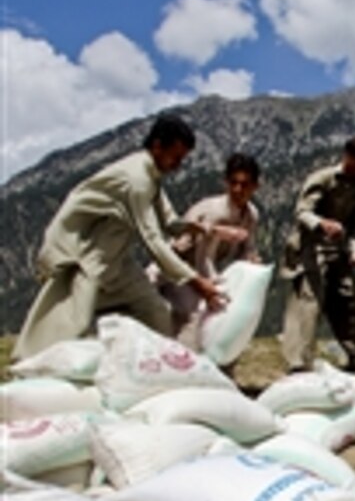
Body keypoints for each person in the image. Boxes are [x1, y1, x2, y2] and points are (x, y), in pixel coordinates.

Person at [13, 114, 224, 360]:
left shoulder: (151, 177)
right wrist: (198, 283)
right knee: (70, 326)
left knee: (156, 312)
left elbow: (169, 222)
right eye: (175, 156)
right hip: (87, 257)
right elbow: (153, 240)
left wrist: (195, 228)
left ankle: (156, 369)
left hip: (118, 261)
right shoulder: (137, 179)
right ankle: (34, 370)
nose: (178, 164)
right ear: (157, 146)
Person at [280, 135, 355, 377]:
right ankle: (299, 365)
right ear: (345, 156)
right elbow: (302, 212)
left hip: (338, 252)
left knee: (352, 302)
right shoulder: (323, 179)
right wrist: (321, 223)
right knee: (308, 306)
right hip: (310, 250)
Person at [155, 152, 261, 350]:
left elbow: (247, 247)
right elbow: (204, 257)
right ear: (226, 182)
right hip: (176, 269)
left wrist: (251, 260)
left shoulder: (252, 215)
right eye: (233, 183)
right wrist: (213, 286)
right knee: (193, 314)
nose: (238, 190)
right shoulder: (215, 211)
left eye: (244, 184)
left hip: (196, 271)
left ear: (255, 186)